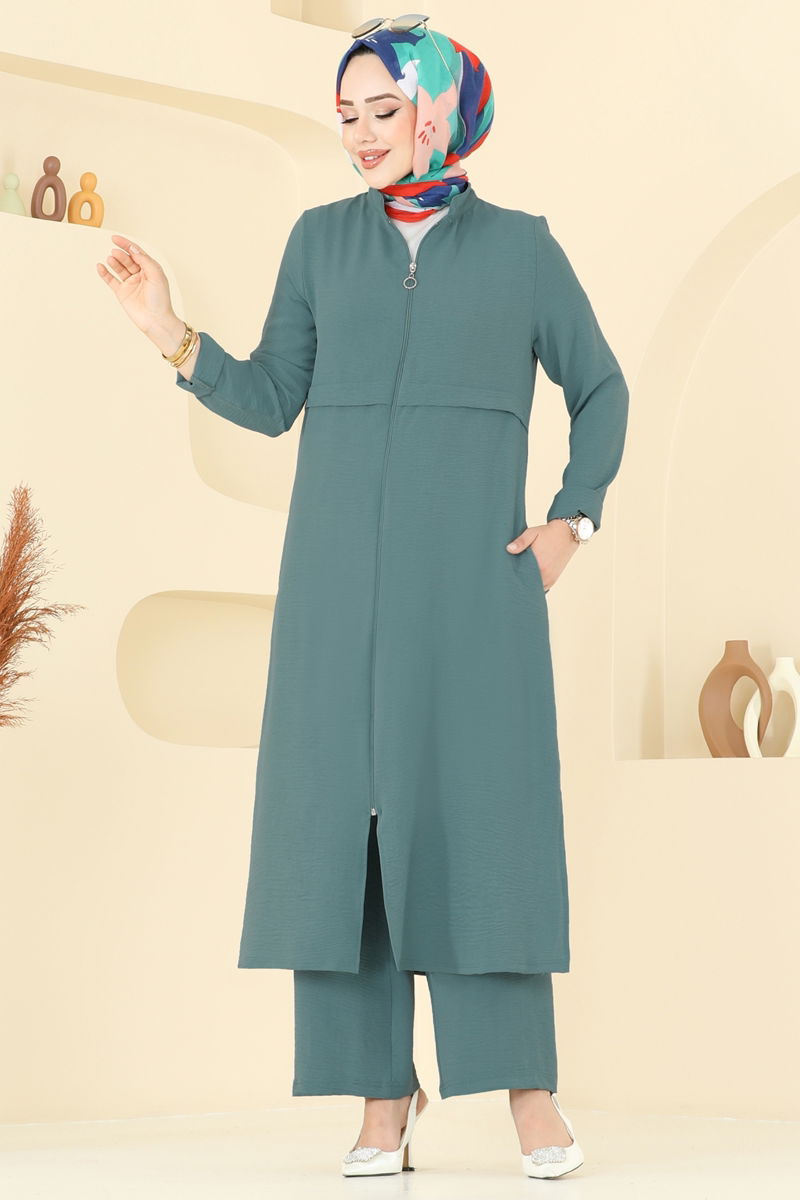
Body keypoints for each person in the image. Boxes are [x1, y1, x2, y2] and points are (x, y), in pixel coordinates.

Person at [96, 15, 629, 1180]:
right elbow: (270, 398)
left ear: (437, 110)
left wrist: (569, 522)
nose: (360, 135)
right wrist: (170, 333)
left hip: (474, 595)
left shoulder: (522, 251)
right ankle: (383, 1096)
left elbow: (600, 387)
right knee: (346, 834)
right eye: (344, 115)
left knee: (481, 826)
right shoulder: (319, 243)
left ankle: (527, 1093)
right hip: (334, 594)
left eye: (381, 110)